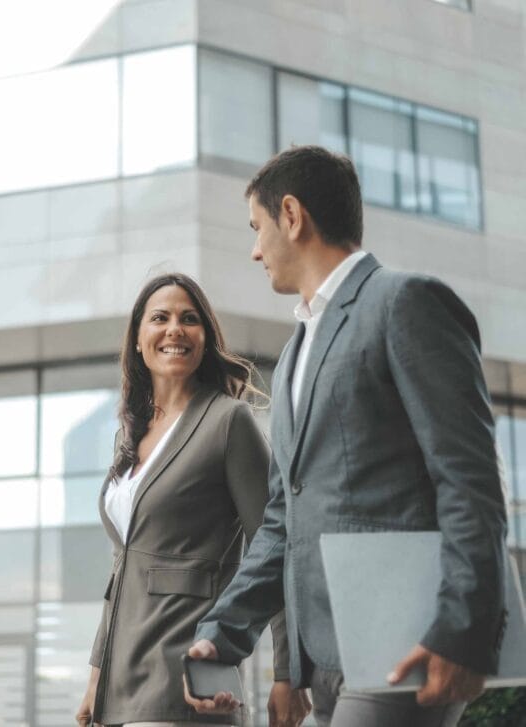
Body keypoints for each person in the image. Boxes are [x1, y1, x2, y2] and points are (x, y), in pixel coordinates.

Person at [184, 146, 508, 727]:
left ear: (292, 215)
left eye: (257, 228)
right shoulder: (290, 360)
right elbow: (284, 517)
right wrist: (222, 633)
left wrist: (464, 628)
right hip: (325, 656)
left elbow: (469, 478)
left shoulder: (405, 302)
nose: (254, 250)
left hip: (407, 640)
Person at [75, 273, 311, 726]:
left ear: (205, 338)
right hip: (121, 683)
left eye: (189, 319)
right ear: (139, 340)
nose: (174, 329)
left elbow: (277, 548)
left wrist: (288, 673)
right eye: (159, 318)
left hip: (190, 673)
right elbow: (120, 572)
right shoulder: (132, 434)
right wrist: (95, 679)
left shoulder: (229, 421)